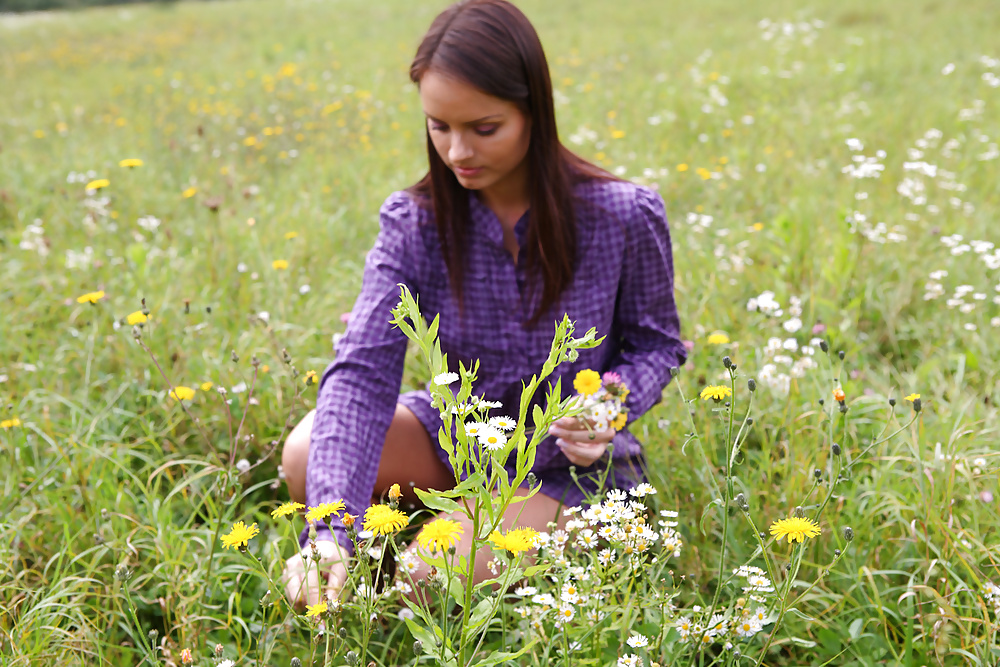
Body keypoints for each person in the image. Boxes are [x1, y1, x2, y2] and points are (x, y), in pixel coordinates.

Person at [280, 0, 686, 607]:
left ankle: (491, 532)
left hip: (564, 463)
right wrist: (328, 531)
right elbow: (362, 373)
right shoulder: (415, 223)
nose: (457, 151)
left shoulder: (622, 215)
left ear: (533, 112)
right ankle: (438, 524)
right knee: (305, 455)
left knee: (424, 581)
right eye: (439, 126)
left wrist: (607, 405)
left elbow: (657, 343)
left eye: (483, 128)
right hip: (459, 438)